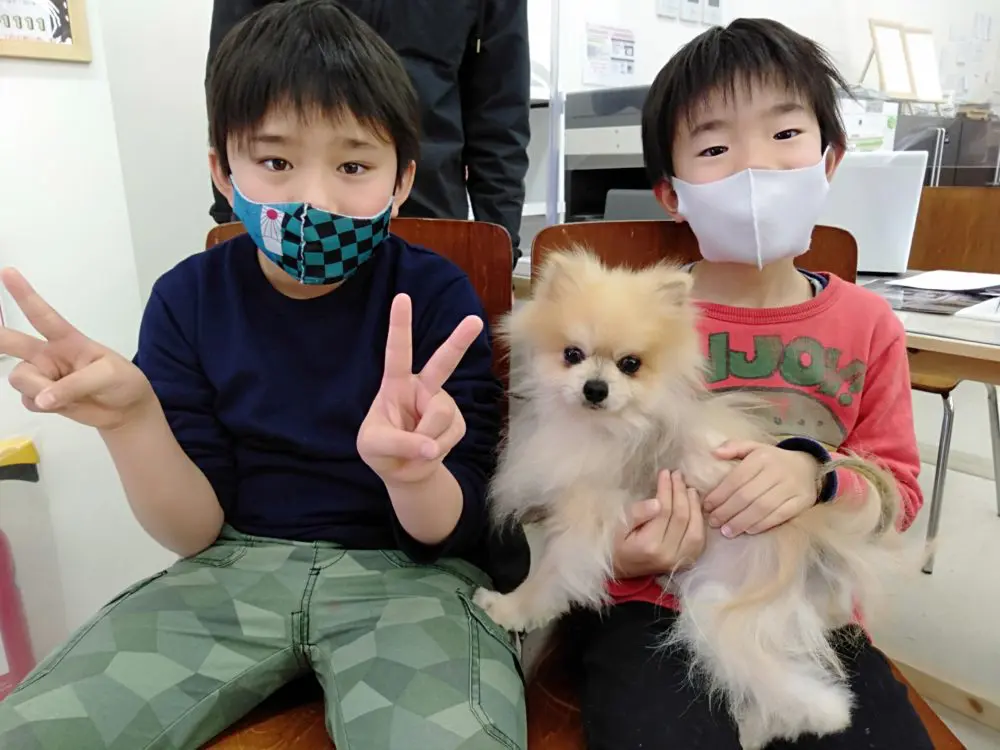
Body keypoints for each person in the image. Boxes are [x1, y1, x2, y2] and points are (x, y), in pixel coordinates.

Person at [0, 2, 528, 748]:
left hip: (414, 582)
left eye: (353, 166)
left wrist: (413, 474)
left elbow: (452, 531)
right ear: (223, 170)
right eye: (276, 162)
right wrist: (131, 420)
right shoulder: (186, 299)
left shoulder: (438, 296)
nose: (313, 200)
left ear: (402, 180)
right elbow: (192, 532)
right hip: (225, 572)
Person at [564, 19, 933, 750]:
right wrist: (619, 555)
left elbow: (897, 497)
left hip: (813, 607)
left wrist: (819, 476)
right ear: (670, 193)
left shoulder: (868, 325)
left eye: (785, 134)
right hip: (652, 603)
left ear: (829, 160)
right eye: (714, 148)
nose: (755, 167)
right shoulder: (630, 319)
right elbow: (567, 481)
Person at [207, 0, 531, 268]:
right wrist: (229, 219)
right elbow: (229, 86)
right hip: (279, 219)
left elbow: (500, 109)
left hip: (428, 208)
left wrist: (502, 249)